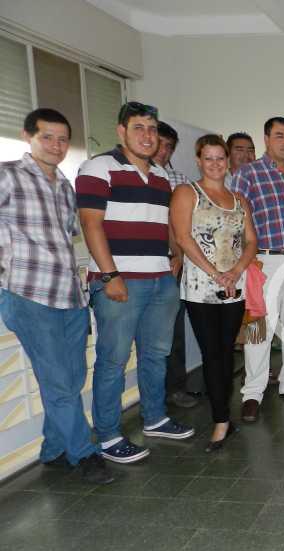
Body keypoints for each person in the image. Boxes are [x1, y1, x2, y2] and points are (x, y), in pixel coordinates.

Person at [77, 101, 194, 464]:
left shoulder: (160, 175)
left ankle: (155, 417)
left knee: (156, 355)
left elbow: (165, 223)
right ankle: (109, 436)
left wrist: (175, 255)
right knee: (113, 360)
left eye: (152, 129)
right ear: (121, 131)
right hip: (120, 281)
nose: (147, 135)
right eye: (138, 128)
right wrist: (110, 274)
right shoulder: (99, 167)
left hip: (160, 279)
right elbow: (91, 224)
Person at [0, 108, 113, 484]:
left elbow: (64, 239)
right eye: (47, 137)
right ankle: (84, 453)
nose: (56, 145)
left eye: (63, 139)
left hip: (69, 296)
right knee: (59, 383)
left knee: (72, 378)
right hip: (28, 295)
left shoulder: (65, 186)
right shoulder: (7, 175)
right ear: (28, 136)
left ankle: (53, 448)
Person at [171, 134, 257, 451]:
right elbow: (183, 238)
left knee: (225, 350)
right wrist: (216, 274)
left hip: (234, 286)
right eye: (208, 158)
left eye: (220, 157)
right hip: (201, 288)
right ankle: (221, 420)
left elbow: (251, 241)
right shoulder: (186, 193)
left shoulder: (239, 200)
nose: (215, 163)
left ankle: (224, 416)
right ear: (199, 160)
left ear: (227, 161)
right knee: (212, 353)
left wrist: (235, 272)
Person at [231, 116, 284, 422]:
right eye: (280, 135)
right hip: (262, 261)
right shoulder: (247, 174)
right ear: (266, 139)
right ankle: (253, 392)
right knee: (258, 329)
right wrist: (245, 262)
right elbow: (235, 222)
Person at [153, 120, 202, 410]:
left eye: (169, 147)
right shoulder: (130, 174)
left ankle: (175, 388)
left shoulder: (180, 181)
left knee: (174, 330)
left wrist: (179, 255)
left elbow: (187, 226)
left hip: (174, 262)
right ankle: (152, 395)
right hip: (139, 265)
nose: (163, 151)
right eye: (160, 144)